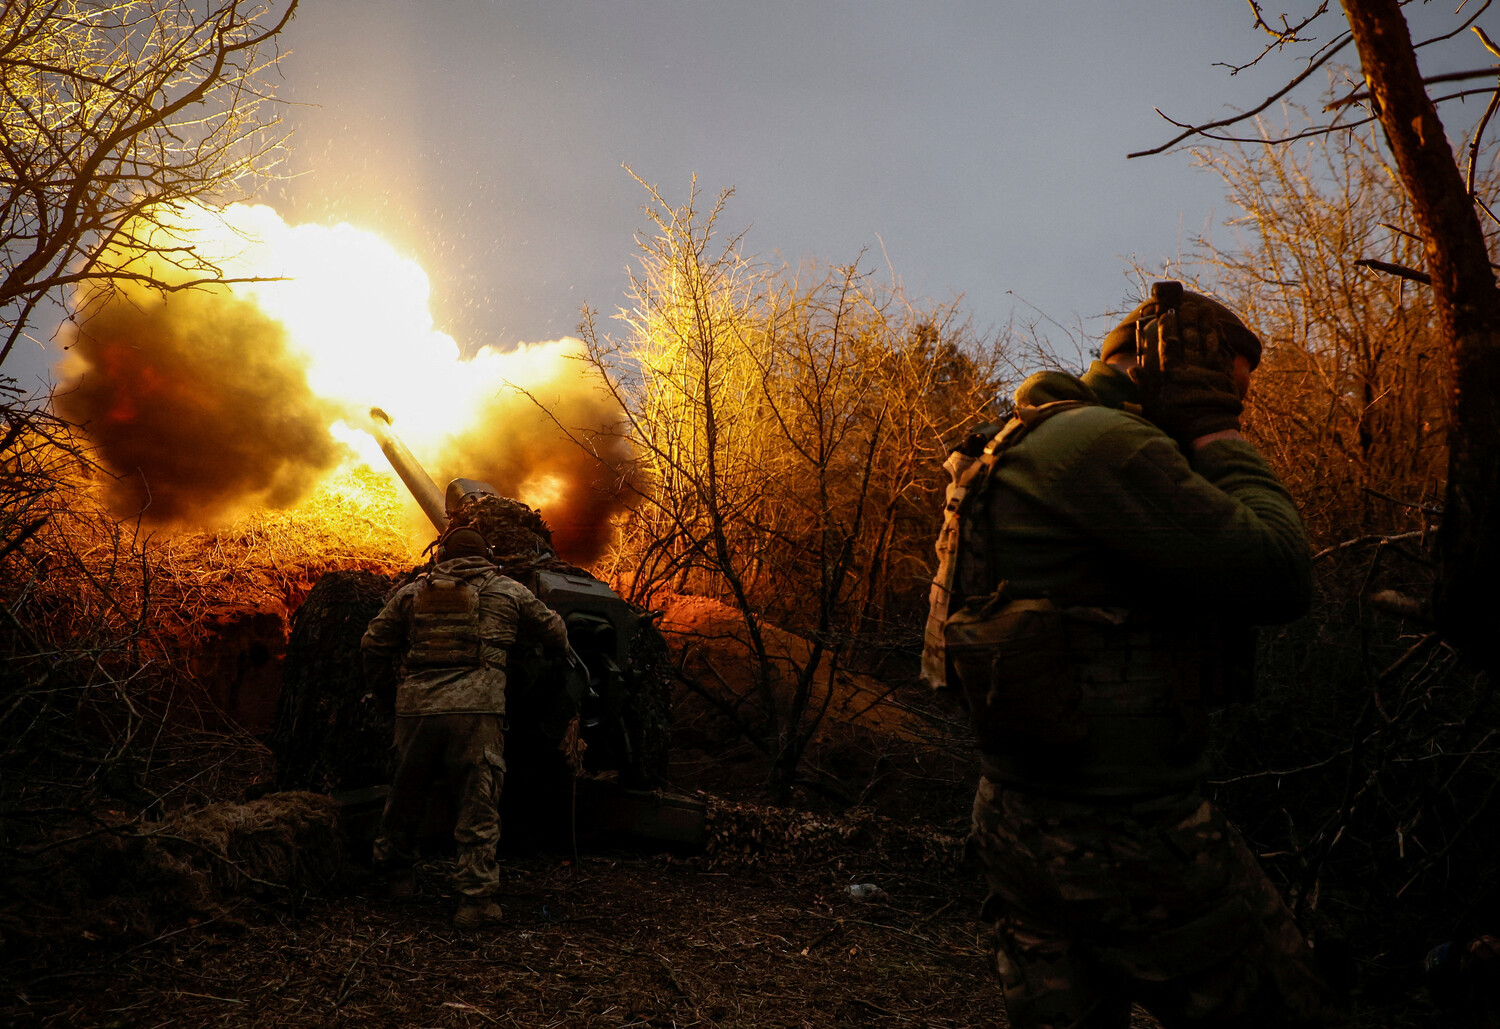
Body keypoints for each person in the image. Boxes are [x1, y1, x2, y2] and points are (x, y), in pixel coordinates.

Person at [927, 283, 1347, 1027]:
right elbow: (1280, 572)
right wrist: (1215, 429)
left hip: (1016, 813)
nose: (1237, 402)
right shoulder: (1107, 444)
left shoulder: (1019, 437)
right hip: (1126, 832)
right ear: (1176, 368)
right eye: (1232, 385)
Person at [362, 526, 569, 929]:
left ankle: (396, 879)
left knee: (405, 794)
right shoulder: (508, 590)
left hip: (417, 709)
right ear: (486, 555)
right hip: (476, 711)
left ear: (442, 555)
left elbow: (372, 644)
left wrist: (389, 695)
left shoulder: (411, 592)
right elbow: (556, 633)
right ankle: (473, 903)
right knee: (477, 803)